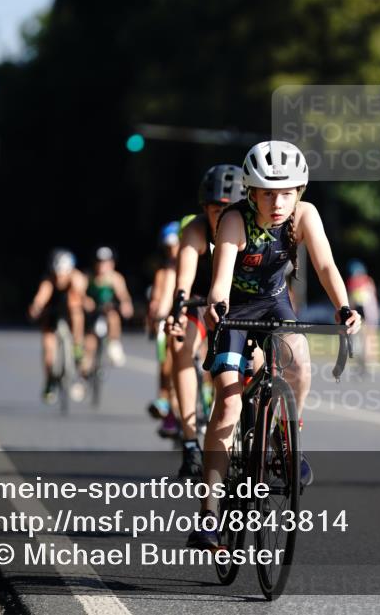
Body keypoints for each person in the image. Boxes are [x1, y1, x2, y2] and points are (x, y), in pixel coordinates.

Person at [187, 141, 361, 550]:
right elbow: (222, 273)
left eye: (286, 192)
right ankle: (209, 514)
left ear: (299, 191)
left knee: (298, 358)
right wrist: (216, 306)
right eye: (267, 192)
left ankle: (287, 437)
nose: (277, 202)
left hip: (274, 300)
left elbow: (325, 264)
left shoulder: (305, 214)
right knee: (228, 400)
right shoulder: (234, 219)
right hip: (235, 307)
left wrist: (344, 307)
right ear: (251, 192)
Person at [166, 165, 246, 479]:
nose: (224, 218)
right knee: (181, 345)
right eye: (216, 210)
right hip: (200, 301)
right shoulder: (196, 230)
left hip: (240, 306)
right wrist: (176, 307)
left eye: (231, 210)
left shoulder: (253, 229)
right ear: (204, 210)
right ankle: (189, 442)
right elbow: (183, 279)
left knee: (260, 361)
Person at [28, 249, 88, 403]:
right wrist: (36, 307)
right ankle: (49, 381)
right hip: (53, 315)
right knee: (48, 349)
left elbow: (81, 295)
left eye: (63, 273)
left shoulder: (76, 278)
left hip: (71, 314)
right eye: (57, 273)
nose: (60, 277)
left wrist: (85, 301)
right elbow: (41, 296)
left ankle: (77, 347)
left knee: (76, 312)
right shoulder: (48, 281)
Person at [146, 221, 183, 437]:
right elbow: (158, 298)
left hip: (194, 316)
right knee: (166, 361)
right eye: (167, 247)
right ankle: (167, 405)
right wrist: (156, 314)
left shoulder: (198, 261)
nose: (171, 251)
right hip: (170, 318)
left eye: (174, 245)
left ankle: (206, 393)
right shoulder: (164, 272)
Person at [84, 246, 134, 369]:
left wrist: (125, 304)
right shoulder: (89, 277)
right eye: (99, 262)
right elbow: (79, 293)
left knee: (113, 317)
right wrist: (85, 301)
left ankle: (114, 343)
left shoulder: (115, 278)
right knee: (89, 344)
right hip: (92, 313)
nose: (102, 266)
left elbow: (123, 295)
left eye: (106, 262)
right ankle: (83, 376)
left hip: (108, 310)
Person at [346, 259, 380, 366]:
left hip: (362, 313)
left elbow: (353, 301)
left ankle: (365, 359)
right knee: (370, 336)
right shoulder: (369, 281)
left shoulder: (354, 283)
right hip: (371, 313)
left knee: (363, 337)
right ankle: (370, 359)